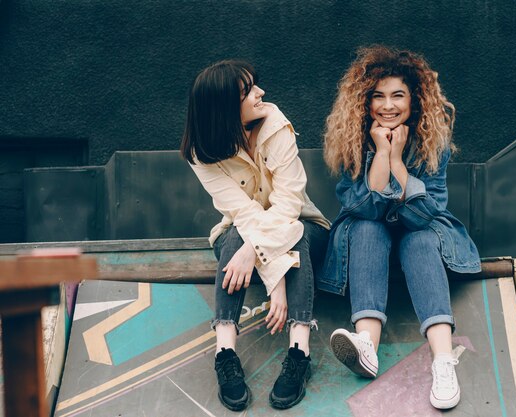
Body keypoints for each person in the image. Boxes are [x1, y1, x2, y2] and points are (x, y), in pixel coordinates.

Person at [318, 45, 481, 410]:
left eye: (398, 96)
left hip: (419, 233)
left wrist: (397, 160)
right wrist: (379, 152)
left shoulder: (431, 141)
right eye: (378, 96)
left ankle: (442, 361)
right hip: (368, 237)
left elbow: (426, 213)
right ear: (365, 102)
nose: (387, 105)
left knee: (420, 238)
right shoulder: (353, 140)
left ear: (414, 101)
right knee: (365, 229)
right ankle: (366, 347)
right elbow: (365, 207)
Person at [180, 60, 330, 411]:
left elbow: (290, 207)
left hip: (306, 227)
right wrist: (274, 280)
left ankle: (299, 351)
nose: (261, 93)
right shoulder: (201, 152)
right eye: (248, 91)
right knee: (234, 239)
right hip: (241, 235)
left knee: (297, 235)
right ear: (225, 107)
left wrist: (255, 253)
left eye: (255, 85)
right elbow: (244, 215)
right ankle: (225, 352)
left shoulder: (276, 126)